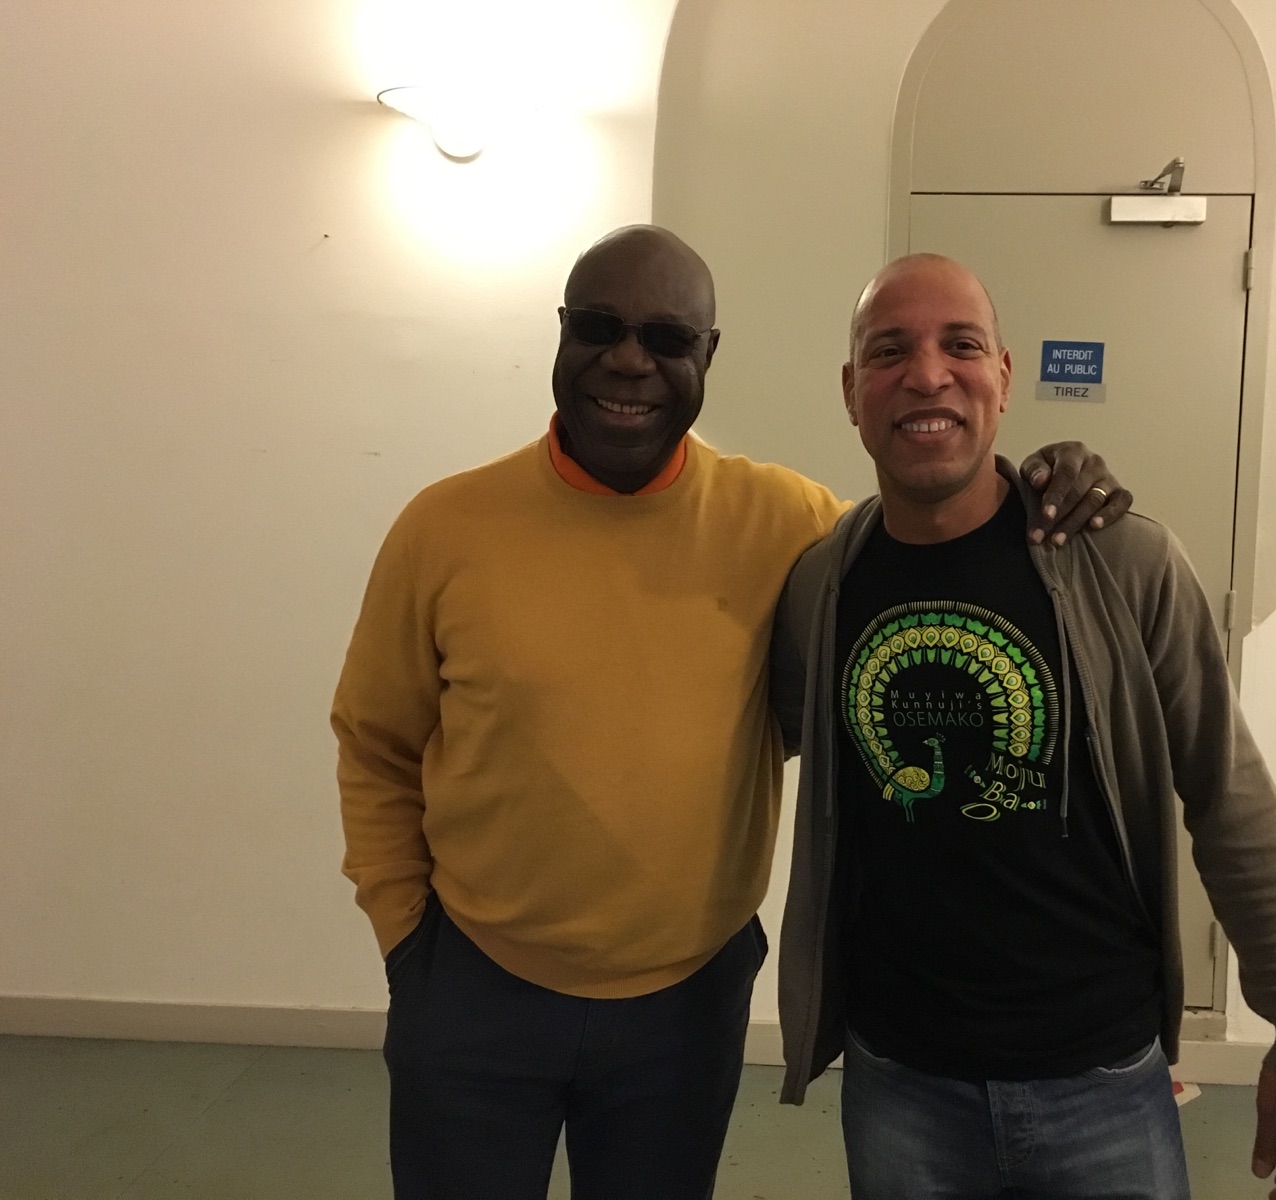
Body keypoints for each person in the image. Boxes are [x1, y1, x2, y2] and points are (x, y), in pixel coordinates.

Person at [331, 225, 1130, 1200]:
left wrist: (1046, 479)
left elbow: (932, 535)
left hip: (684, 1006)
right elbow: (375, 742)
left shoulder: (790, 526)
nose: (630, 360)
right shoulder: (444, 528)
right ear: (562, 333)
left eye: (667, 338)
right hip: (472, 990)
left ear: (707, 356)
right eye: (600, 327)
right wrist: (407, 940)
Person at [769, 253, 1276, 1200]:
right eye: (889, 350)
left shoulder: (1122, 562)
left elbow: (1230, 799)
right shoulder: (819, 589)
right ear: (850, 390)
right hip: (899, 1081)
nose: (927, 374)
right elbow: (755, 745)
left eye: (961, 346)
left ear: (1004, 376)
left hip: (1102, 1079)